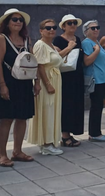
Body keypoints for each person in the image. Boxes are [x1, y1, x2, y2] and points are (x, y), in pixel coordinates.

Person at [0, 9, 37, 167]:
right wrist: (2, 85)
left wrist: (36, 82)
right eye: (14, 19)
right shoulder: (1, 39)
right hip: (9, 83)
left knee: (22, 117)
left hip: (24, 83)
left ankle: (17, 151)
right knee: (7, 118)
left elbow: (32, 61)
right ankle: (1, 155)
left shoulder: (26, 39)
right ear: (7, 23)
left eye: (20, 20)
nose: (18, 22)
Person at [28, 19, 63, 155]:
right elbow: (40, 65)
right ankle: (46, 143)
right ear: (41, 31)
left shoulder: (51, 45)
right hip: (47, 80)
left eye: (53, 28)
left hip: (55, 79)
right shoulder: (40, 45)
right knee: (47, 110)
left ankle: (50, 141)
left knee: (53, 110)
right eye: (47, 28)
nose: (51, 30)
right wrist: (47, 84)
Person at [53, 14, 84, 148]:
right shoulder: (58, 40)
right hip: (65, 76)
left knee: (76, 105)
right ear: (63, 26)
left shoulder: (78, 39)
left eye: (74, 23)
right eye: (69, 23)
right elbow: (56, 57)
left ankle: (70, 132)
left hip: (77, 75)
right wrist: (70, 47)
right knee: (66, 105)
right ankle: (64, 135)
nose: (72, 25)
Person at [81, 20, 105, 142]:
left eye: (97, 27)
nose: (96, 30)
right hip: (96, 80)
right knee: (96, 106)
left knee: (99, 106)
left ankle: (97, 131)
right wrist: (97, 51)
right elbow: (87, 61)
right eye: (93, 28)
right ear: (86, 31)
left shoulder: (96, 42)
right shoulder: (87, 43)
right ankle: (94, 133)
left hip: (103, 79)